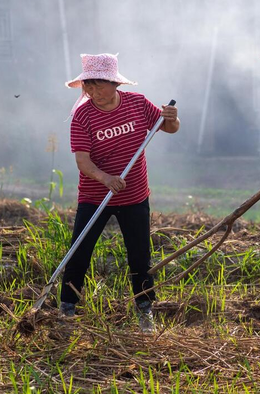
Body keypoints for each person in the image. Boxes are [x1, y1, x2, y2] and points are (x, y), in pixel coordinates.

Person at [61, 53, 180, 332]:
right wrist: (106, 178)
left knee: (139, 255)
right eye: (87, 87)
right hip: (95, 196)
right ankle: (67, 308)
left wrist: (172, 119)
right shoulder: (83, 115)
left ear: (115, 84)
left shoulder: (138, 104)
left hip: (134, 195)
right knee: (80, 250)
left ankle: (145, 309)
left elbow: (169, 128)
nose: (92, 93)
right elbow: (82, 161)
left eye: (98, 86)